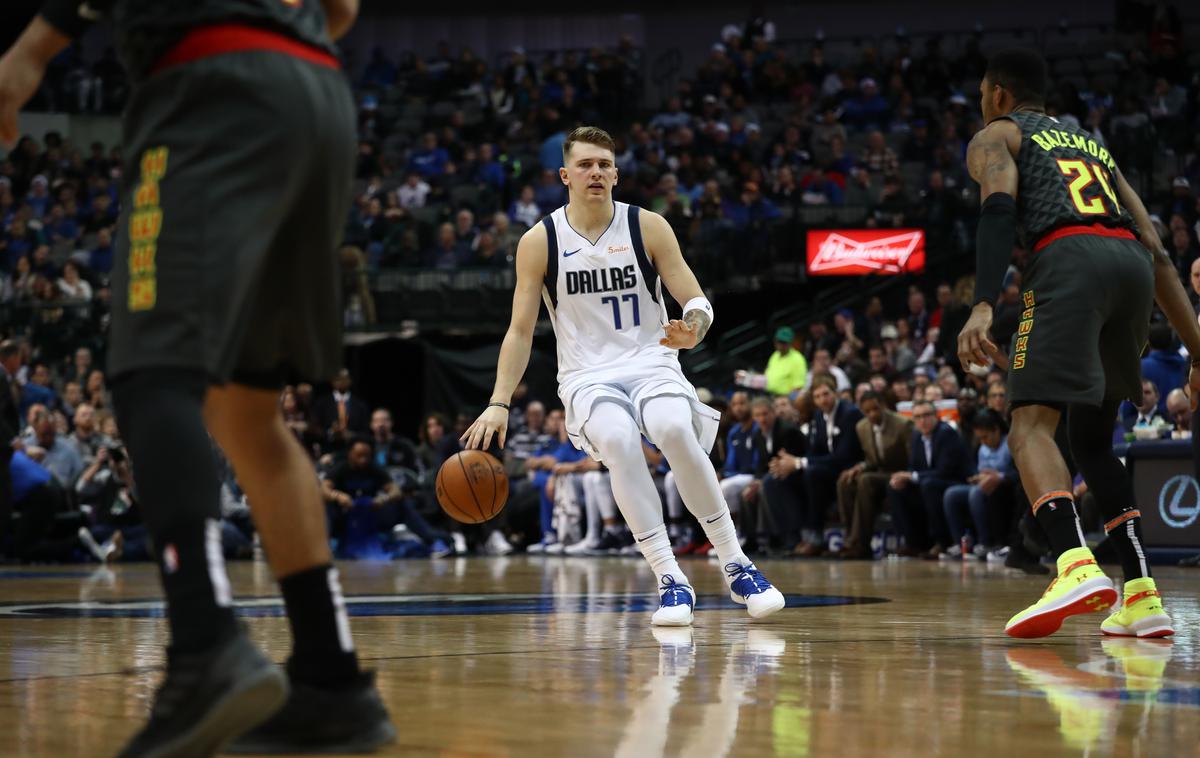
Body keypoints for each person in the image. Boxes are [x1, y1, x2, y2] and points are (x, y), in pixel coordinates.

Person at [0, 1, 394, 755]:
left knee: (151, 369)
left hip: (212, 85)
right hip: (316, 92)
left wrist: (33, 46)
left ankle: (204, 639)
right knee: (246, 413)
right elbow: (341, 8)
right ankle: (329, 679)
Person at [462, 126, 784, 626]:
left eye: (604, 165)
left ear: (616, 173)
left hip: (652, 360)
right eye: (586, 165)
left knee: (675, 430)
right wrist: (499, 401)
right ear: (565, 175)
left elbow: (695, 299)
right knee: (617, 442)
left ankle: (736, 563)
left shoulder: (648, 226)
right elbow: (520, 331)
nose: (596, 172)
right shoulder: (539, 241)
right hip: (588, 375)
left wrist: (694, 328)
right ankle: (669, 578)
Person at [957, 49, 1200, 639]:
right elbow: (1158, 245)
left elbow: (996, 210)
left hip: (1069, 263)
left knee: (1029, 426)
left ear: (996, 96)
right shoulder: (1091, 146)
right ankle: (1141, 595)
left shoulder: (997, 135)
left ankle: (1073, 563)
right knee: (1091, 438)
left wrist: (984, 301)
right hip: (1131, 269)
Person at [836, 391, 912, 559]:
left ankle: (860, 544)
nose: (872, 414)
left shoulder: (903, 424)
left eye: (875, 409)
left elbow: (913, 458)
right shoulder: (861, 426)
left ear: (883, 405)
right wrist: (860, 466)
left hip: (899, 473)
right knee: (845, 481)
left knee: (866, 480)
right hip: (878, 473)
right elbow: (872, 460)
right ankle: (850, 539)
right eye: (867, 411)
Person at [764, 326, 807, 396]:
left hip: (785, 399)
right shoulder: (774, 355)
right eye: (779, 341)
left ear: (790, 343)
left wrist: (788, 402)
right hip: (768, 395)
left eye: (784, 342)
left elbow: (799, 388)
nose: (780, 345)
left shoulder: (798, 359)